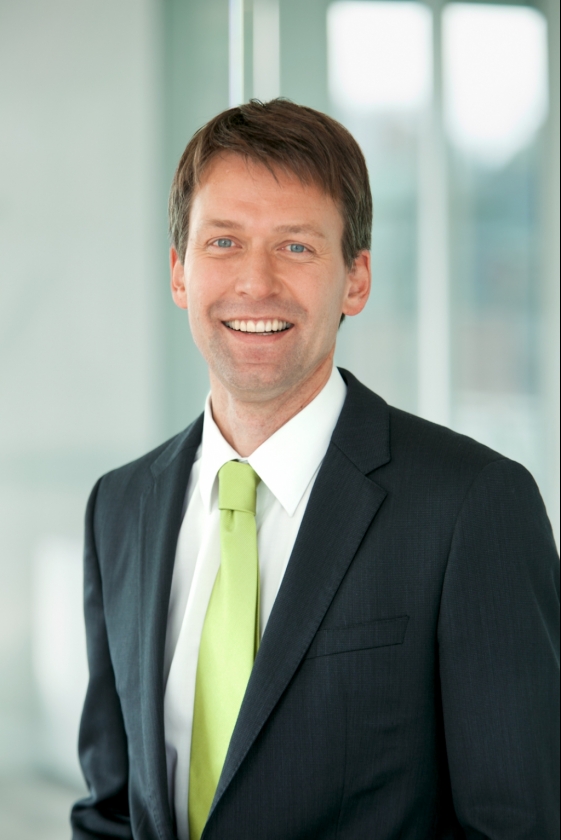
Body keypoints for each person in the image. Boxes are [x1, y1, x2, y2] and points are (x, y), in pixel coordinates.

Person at [71, 99, 559, 840]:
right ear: (179, 273)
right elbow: (111, 811)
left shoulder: (472, 506)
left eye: (295, 246)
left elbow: (516, 827)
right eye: (223, 242)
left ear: (355, 279)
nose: (255, 283)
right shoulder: (120, 506)